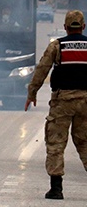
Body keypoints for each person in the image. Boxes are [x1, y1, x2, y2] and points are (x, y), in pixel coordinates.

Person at [25, 10, 87, 200]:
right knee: (85, 143)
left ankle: (56, 188)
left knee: (56, 143)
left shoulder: (57, 46)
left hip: (62, 102)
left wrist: (32, 93)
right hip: (86, 102)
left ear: (66, 27)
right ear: (83, 26)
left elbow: (42, 68)